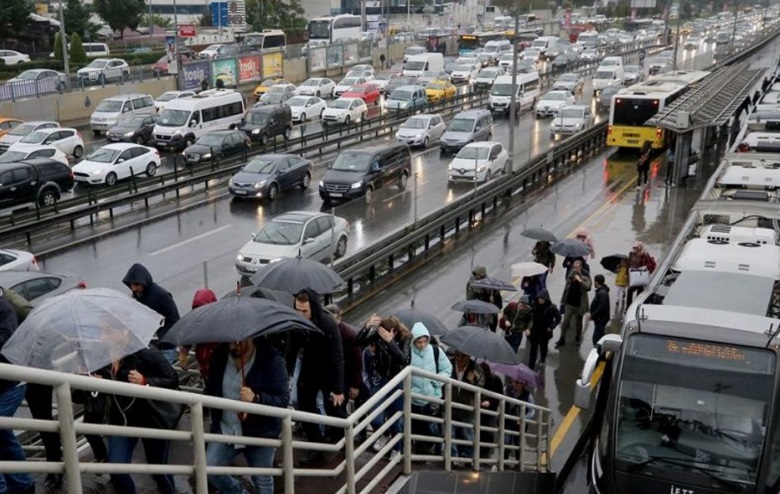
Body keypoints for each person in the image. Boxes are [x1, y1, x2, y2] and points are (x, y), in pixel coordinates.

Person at [204, 337, 289, 494]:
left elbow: (283, 400)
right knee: (210, 469)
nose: (231, 347)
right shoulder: (220, 355)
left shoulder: (272, 360)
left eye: (236, 342)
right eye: (229, 342)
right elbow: (212, 387)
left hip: (260, 432)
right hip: (227, 427)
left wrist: (256, 398)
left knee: (262, 481)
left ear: (250, 339)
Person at [104, 344, 181, 494]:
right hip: (121, 419)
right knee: (116, 469)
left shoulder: (147, 352)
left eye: (108, 330)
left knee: (158, 470)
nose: (103, 336)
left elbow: (172, 379)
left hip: (151, 419)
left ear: (124, 332)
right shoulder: (102, 355)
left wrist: (145, 381)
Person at [289, 289, 345, 465]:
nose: (300, 313)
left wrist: (337, 389)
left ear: (313, 308)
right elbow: (291, 348)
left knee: (334, 409)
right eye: (298, 309)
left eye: (304, 310)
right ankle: (316, 445)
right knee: (305, 407)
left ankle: (340, 441)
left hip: (327, 370)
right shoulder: (296, 322)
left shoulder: (328, 324)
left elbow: (337, 357)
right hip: (309, 368)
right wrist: (287, 371)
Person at [357, 316, 411, 455]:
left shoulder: (405, 338)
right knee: (374, 415)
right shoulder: (377, 335)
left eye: (385, 332)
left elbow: (403, 360)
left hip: (396, 379)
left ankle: (397, 449)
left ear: (394, 331)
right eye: (380, 332)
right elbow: (359, 342)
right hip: (380, 378)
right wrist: (367, 326)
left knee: (394, 417)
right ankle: (384, 434)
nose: (382, 335)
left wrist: (391, 342)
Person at [0, 289, 35, 494]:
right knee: (3, 437)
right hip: (5, 383)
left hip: (10, 384)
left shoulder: (4, 308)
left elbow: (4, 339)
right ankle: (22, 484)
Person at [122, 263, 181, 363]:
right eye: (131, 284)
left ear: (144, 282)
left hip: (165, 344)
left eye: (136, 284)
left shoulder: (160, 295)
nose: (133, 288)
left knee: (165, 373)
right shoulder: (139, 295)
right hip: (154, 344)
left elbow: (174, 319)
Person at [409, 323, 452, 455]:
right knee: (416, 428)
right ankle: (421, 451)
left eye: (425, 341)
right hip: (414, 399)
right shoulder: (407, 352)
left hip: (433, 397)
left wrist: (437, 382)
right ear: (413, 341)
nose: (422, 345)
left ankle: (434, 449)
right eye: (419, 342)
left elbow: (447, 369)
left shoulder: (435, 350)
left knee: (434, 428)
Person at [325, 304, 363, 412]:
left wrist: (355, 384)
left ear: (339, 319)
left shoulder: (349, 335)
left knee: (338, 409)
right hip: (328, 376)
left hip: (344, 377)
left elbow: (357, 361)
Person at [450, 350, 485, 459]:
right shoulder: (449, 364)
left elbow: (481, 387)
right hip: (450, 405)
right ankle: (453, 457)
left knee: (467, 435)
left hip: (467, 408)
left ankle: (469, 457)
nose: (460, 358)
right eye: (457, 355)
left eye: (463, 356)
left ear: (468, 356)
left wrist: (473, 381)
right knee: (449, 433)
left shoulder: (476, 369)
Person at [179, 288, 219, 380]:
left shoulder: (219, 321)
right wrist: (183, 356)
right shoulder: (195, 322)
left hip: (217, 367)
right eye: (198, 308)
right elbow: (188, 338)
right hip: (204, 368)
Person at [556, 259, 592, 348]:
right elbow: (566, 288)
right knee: (565, 322)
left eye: (577, 267)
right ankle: (562, 338)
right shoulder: (571, 275)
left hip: (579, 305)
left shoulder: (585, 276)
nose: (575, 269)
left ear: (581, 267)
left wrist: (580, 280)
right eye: (574, 267)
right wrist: (563, 302)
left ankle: (577, 338)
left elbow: (588, 287)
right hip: (570, 304)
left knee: (578, 323)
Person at [477, 361, 504, 459]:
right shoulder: (476, 378)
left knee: (488, 431)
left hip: (490, 410)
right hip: (478, 408)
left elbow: (500, 395)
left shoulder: (495, 380)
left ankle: (485, 452)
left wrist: (490, 402)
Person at [503, 378, 535, 461]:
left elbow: (532, 411)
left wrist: (524, 418)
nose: (515, 384)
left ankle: (518, 463)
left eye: (517, 382)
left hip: (520, 423)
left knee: (518, 443)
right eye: (514, 381)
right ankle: (504, 461)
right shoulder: (507, 389)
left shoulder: (528, 395)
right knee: (507, 441)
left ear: (523, 385)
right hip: (508, 421)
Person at [527, 289, 560, 369]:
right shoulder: (533, 305)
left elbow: (558, 318)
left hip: (545, 331)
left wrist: (551, 326)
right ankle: (531, 364)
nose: (540, 300)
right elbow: (528, 316)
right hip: (534, 330)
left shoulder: (552, 307)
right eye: (539, 299)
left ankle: (542, 359)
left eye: (542, 299)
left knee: (543, 347)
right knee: (533, 348)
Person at [465, 266, 502, 330]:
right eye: (476, 274)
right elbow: (469, 296)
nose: (477, 276)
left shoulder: (490, 284)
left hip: (490, 308)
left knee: (492, 326)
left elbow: (498, 299)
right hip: (478, 308)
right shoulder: (471, 283)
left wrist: (494, 303)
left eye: (479, 275)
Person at [626, 241, 657, 307]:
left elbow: (651, 264)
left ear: (640, 247)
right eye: (634, 247)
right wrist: (627, 273)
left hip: (641, 275)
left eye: (636, 248)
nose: (634, 249)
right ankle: (628, 307)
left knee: (639, 292)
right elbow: (628, 263)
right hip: (633, 275)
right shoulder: (631, 254)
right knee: (629, 291)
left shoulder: (645, 254)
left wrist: (645, 267)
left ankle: (636, 306)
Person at [587, 274, 611, 347]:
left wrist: (593, 315)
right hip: (599, 318)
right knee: (599, 336)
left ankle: (598, 353)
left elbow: (601, 307)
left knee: (596, 339)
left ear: (597, 282)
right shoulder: (601, 291)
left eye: (595, 281)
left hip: (601, 319)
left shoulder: (602, 293)